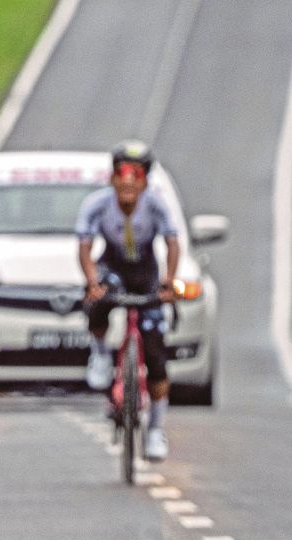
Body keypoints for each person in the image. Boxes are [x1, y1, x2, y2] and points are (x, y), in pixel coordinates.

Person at [77, 140, 180, 462]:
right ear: (112, 178)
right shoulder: (97, 205)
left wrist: (169, 281)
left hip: (146, 272)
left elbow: (172, 242)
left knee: (156, 356)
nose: (128, 182)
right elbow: (84, 245)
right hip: (113, 268)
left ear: (146, 181)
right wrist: (92, 281)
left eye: (136, 174)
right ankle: (100, 355)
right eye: (121, 173)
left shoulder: (156, 205)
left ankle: (155, 430)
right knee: (99, 298)